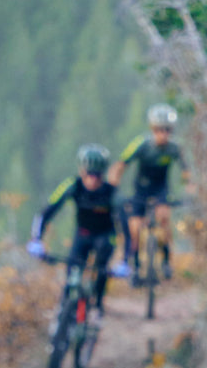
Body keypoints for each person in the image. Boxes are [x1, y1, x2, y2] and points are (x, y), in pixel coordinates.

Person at [28, 145, 127, 313]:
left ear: (103, 175)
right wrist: (36, 239)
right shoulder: (72, 185)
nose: (92, 180)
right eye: (89, 174)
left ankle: (97, 307)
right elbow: (47, 211)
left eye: (97, 175)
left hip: (105, 235)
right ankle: (64, 313)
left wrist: (125, 260)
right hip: (83, 233)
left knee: (101, 267)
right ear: (82, 171)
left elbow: (125, 226)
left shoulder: (112, 193)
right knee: (72, 273)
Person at [109, 103, 188, 284]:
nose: (164, 134)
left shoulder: (174, 148)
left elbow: (185, 170)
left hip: (161, 189)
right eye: (159, 130)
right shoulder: (142, 144)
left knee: (164, 217)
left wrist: (188, 186)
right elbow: (121, 164)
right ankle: (135, 267)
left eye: (167, 130)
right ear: (153, 129)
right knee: (135, 228)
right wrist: (114, 184)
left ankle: (167, 261)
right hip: (141, 189)